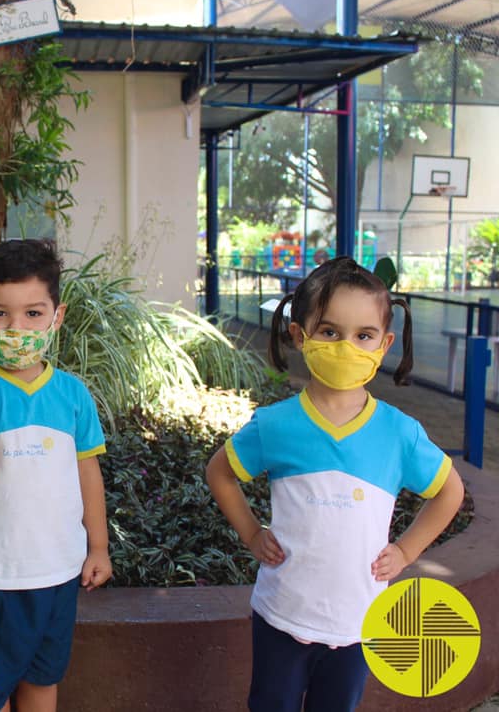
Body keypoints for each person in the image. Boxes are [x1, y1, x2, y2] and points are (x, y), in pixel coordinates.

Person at [206, 256, 464, 712]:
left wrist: (406, 551)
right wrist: (251, 533)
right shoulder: (276, 425)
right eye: (330, 332)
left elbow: (450, 491)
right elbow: (220, 472)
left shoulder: (398, 432)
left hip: (359, 623)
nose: (347, 345)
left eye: (363, 335)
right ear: (299, 335)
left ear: (383, 345)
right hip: (281, 614)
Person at [0, 239, 112, 712]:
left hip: (56, 572)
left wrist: (97, 547)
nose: (16, 328)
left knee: (43, 680)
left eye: (33, 314)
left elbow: (87, 473)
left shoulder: (73, 394)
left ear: (58, 314)